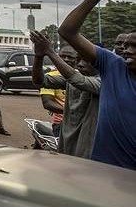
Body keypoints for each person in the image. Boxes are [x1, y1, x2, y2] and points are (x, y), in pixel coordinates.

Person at [58, 0, 136, 170]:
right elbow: (67, 31)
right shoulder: (113, 66)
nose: (127, 50)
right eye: (125, 46)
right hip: (102, 169)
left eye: (135, 46)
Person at [29, 31, 101, 159]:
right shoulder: (70, 79)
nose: (80, 64)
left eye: (86, 60)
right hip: (66, 137)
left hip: (88, 142)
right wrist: (39, 56)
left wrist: (50, 52)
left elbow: (78, 80)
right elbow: (38, 81)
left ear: (98, 62)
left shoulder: (101, 81)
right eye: (78, 59)